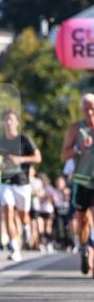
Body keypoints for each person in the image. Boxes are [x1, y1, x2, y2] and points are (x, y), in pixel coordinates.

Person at [0, 109, 41, 263]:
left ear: (16, 122)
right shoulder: (1, 140)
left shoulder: (25, 139)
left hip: (22, 183)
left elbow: (38, 157)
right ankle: (14, 247)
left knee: (23, 216)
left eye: (11, 119)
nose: (8, 122)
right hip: (6, 182)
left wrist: (20, 159)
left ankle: (26, 227)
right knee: (7, 210)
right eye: (5, 119)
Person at [60, 93, 94, 275]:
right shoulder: (75, 129)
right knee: (83, 220)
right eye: (86, 108)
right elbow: (63, 156)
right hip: (81, 181)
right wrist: (77, 149)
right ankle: (83, 248)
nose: (89, 112)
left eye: (92, 108)